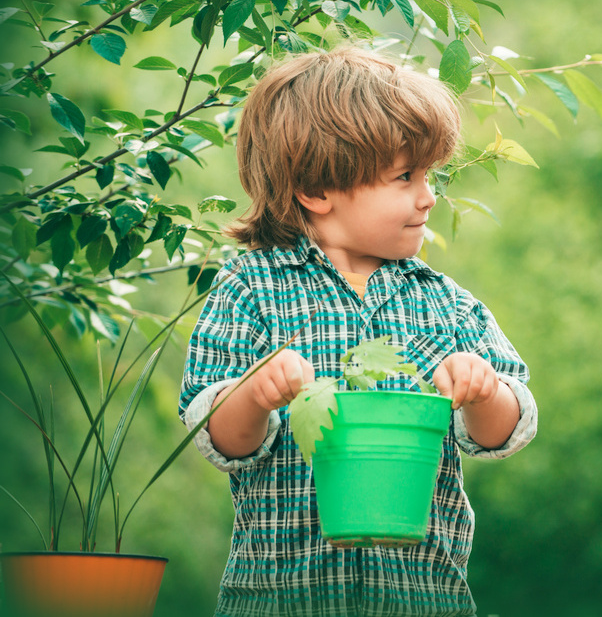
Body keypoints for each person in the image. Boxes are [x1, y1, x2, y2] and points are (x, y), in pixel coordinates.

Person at [180, 45, 537, 617]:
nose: (428, 196)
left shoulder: (443, 304)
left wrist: (485, 389)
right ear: (317, 190)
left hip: (422, 599)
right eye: (404, 177)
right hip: (279, 601)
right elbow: (217, 438)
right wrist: (254, 394)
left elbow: (507, 431)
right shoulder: (250, 289)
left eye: (430, 176)